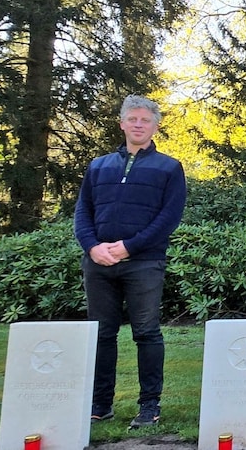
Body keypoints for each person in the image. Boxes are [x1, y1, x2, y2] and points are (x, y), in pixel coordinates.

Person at [75, 95, 187, 428]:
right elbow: (83, 211)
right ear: (122, 123)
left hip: (144, 263)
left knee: (147, 334)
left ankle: (149, 406)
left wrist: (128, 247)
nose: (138, 125)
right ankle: (100, 405)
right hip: (98, 264)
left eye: (145, 120)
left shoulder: (169, 167)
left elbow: (168, 218)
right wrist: (93, 247)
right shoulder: (98, 166)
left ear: (156, 126)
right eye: (132, 119)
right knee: (101, 335)